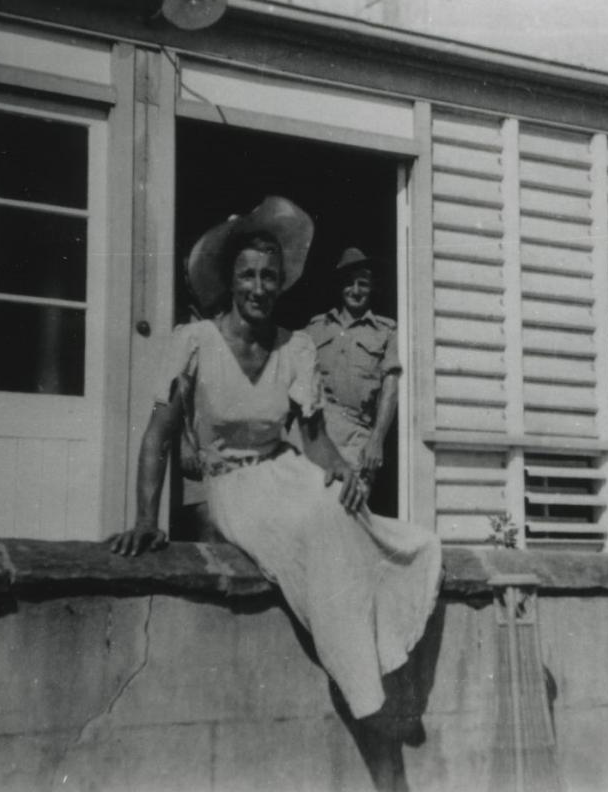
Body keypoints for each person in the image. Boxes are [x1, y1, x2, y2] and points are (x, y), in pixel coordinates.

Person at [107, 196, 441, 724]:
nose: (259, 288)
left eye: (270, 276)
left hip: (285, 469)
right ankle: (361, 685)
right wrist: (146, 518)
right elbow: (158, 435)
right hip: (230, 484)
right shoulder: (192, 342)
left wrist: (343, 470)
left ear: (281, 282)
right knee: (317, 522)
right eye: (248, 276)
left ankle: (375, 655)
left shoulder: (295, 347)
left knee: (349, 510)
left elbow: (315, 439)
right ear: (230, 280)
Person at [304, 247, 401, 492]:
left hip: (356, 435)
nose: (355, 291)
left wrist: (376, 440)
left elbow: (391, 388)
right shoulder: (316, 327)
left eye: (363, 284)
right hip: (314, 431)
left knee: (348, 511)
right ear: (339, 286)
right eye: (349, 283)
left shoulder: (386, 332)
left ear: (372, 288)